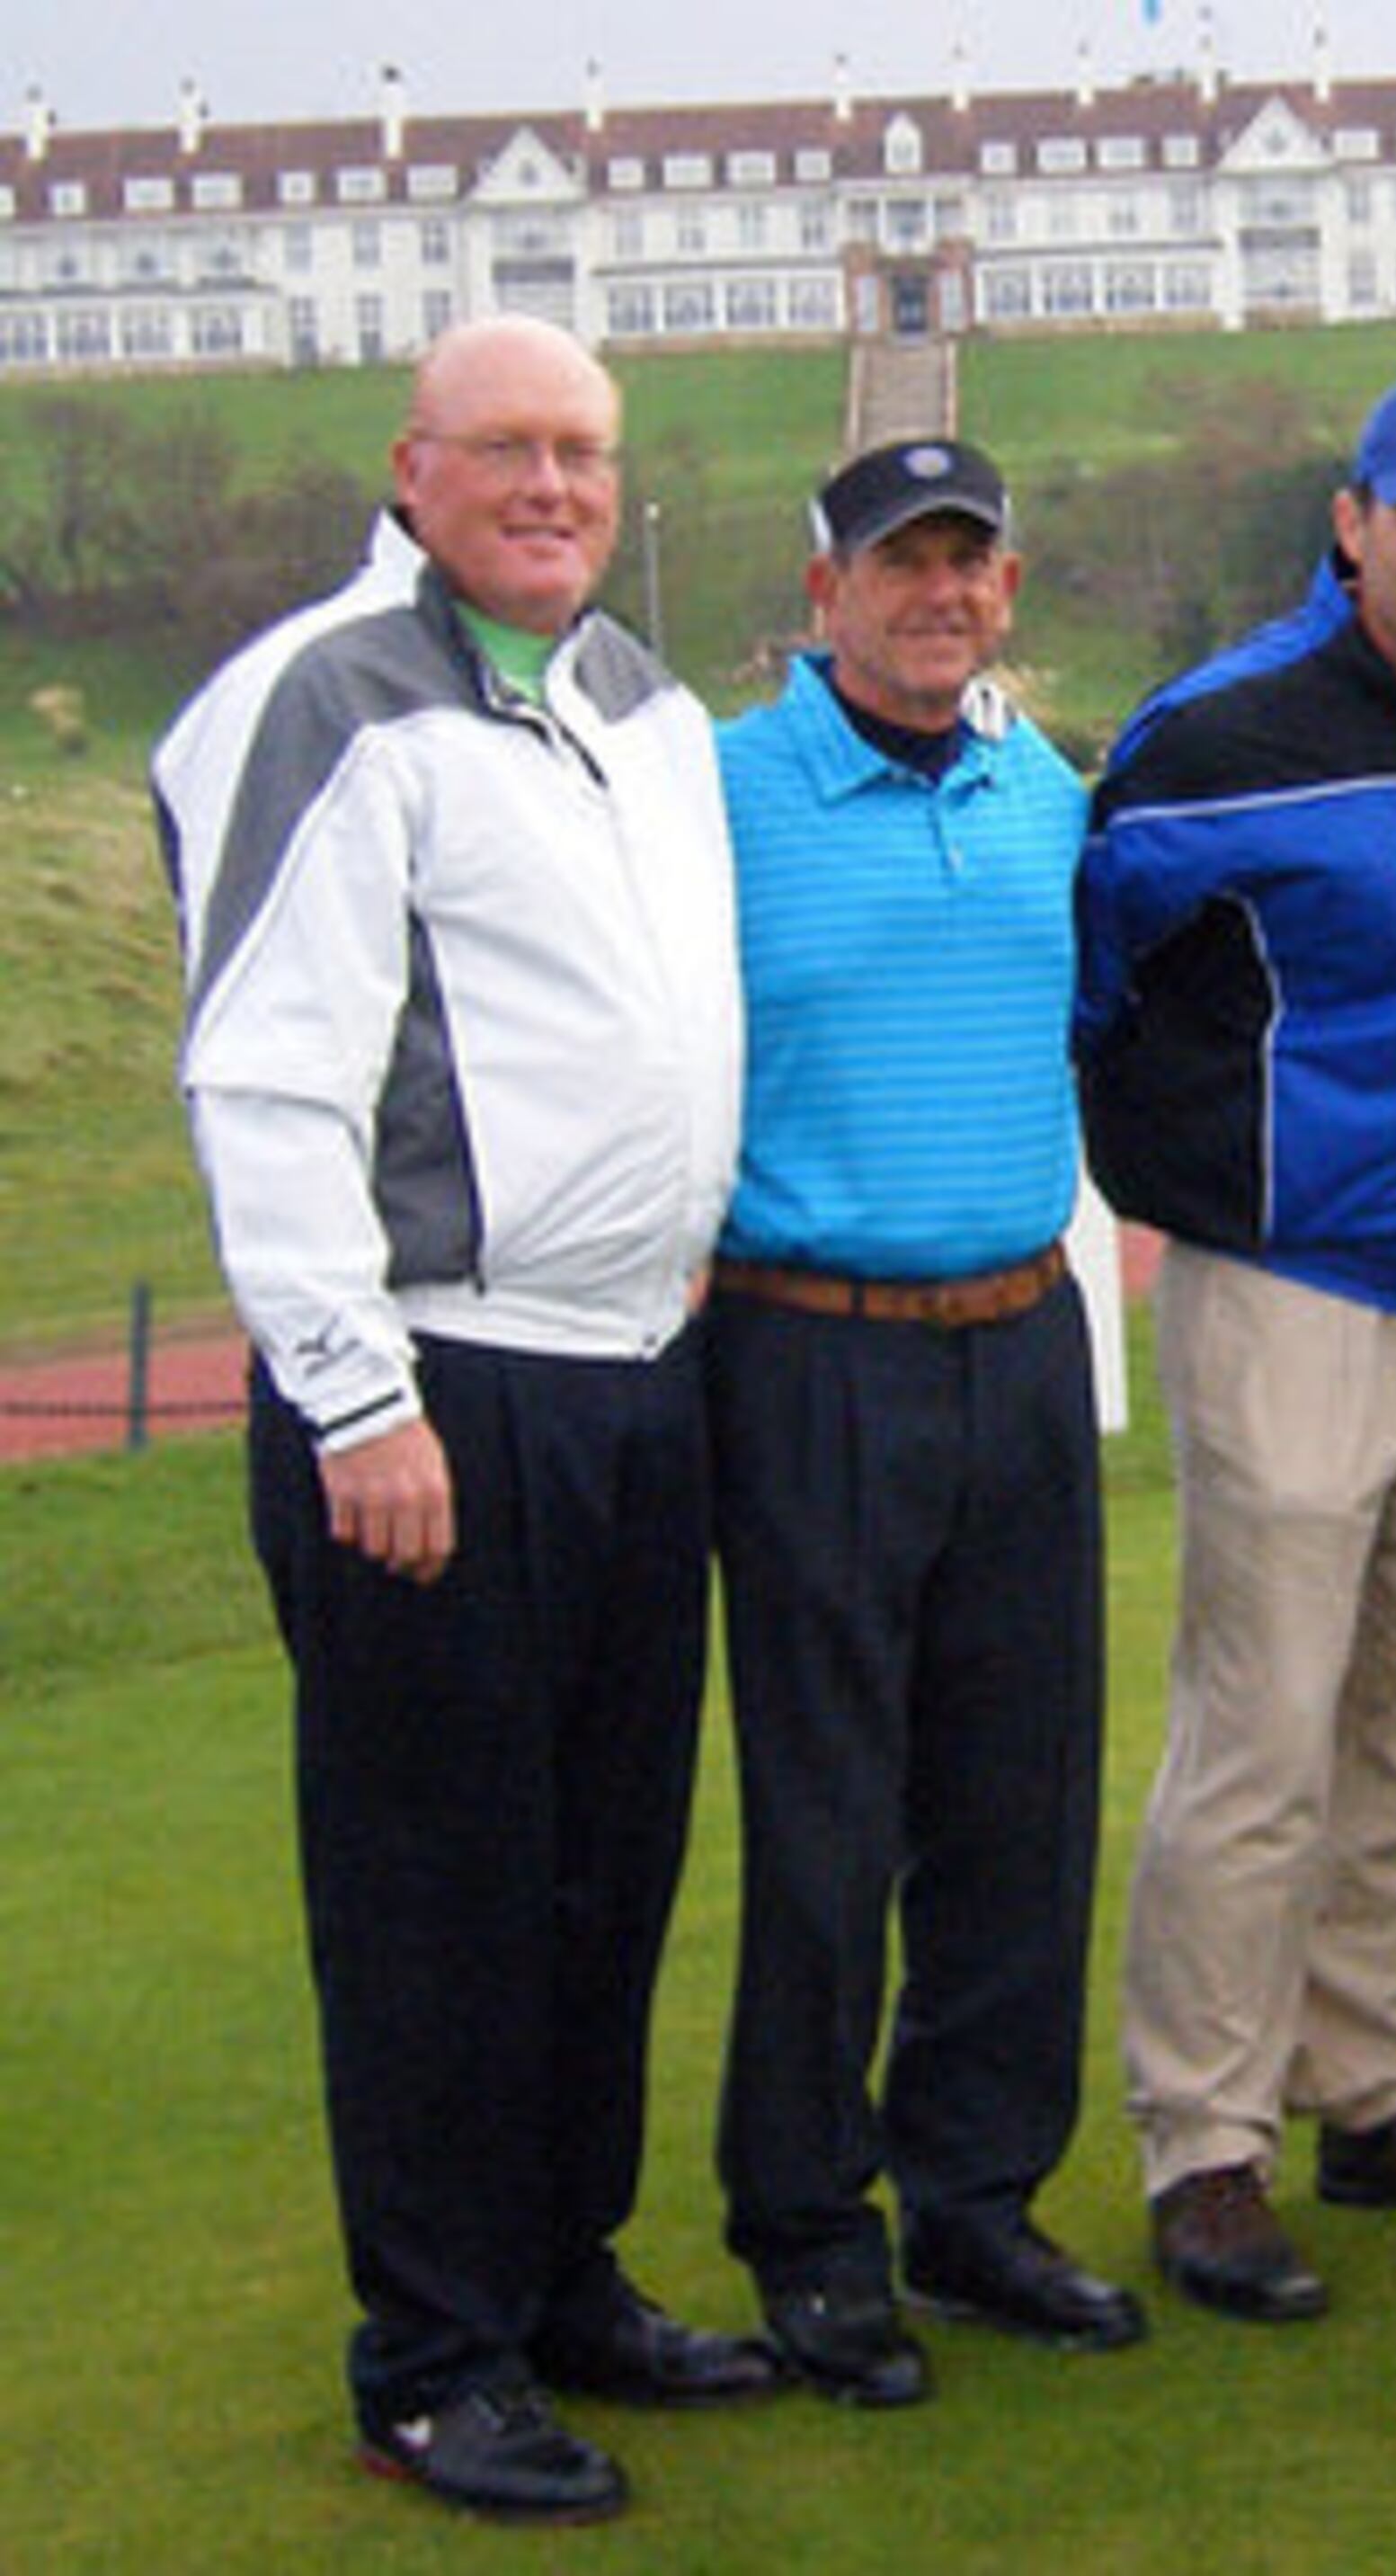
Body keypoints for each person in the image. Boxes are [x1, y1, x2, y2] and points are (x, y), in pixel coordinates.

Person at [152, 315, 765, 2525]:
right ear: (409, 469)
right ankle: (432, 2351)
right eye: (504, 448)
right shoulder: (339, 698)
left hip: (633, 1369)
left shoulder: (643, 705)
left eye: (583, 452)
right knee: (443, 1892)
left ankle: (558, 2268)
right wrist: (351, 1387)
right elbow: (269, 1071)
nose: (550, 486)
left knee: (606, 1871)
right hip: (433, 1385)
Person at [1076, 372, 1396, 2323]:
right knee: (1260, 1738)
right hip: (1300, 1294)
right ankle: (1208, 2138)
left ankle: (1375, 2086)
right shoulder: (1213, 740)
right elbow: (1100, 972)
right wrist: (1210, 1170)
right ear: (1353, 520)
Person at [706, 438, 1138, 2405]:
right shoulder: (716, 796)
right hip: (810, 1347)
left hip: (1024, 1338)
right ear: (826, 593)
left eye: (968, 563)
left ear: (1008, 589)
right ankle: (809, 2229)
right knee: (828, 1820)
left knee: (1018, 1800)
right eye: (900, 564)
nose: (937, 594)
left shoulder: (1048, 792)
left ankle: (976, 2196)